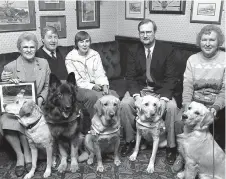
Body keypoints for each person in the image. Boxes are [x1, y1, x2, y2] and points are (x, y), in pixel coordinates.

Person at [120, 19, 180, 165]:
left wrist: (165, 99)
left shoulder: (167, 50)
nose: (145, 35)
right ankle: (130, 140)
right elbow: (130, 77)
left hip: (160, 91)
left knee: (172, 107)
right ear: (139, 34)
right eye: (142, 32)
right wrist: (136, 96)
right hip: (140, 89)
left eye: (148, 32)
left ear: (154, 32)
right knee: (125, 104)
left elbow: (171, 78)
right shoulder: (133, 50)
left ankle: (171, 146)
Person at [172, 24, 225, 172]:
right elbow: (187, 86)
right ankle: (182, 155)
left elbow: (225, 90)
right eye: (204, 39)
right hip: (195, 103)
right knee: (178, 121)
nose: (207, 43)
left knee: (211, 128)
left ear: (219, 41)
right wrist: (187, 107)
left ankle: (211, 162)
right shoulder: (192, 60)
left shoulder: (224, 59)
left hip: (217, 105)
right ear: (199, 41)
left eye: (212, 40)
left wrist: (215, 107)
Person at [0, 32, 50, 177]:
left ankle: (29, 155)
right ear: (19, 49)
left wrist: (41, 98)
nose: (29, 50)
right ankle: (21, 156)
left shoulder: (44, 63)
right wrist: (6, 82)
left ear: (36, 48)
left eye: (32, 47)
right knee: (6, 121)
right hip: (17, 108)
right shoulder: (10, 67)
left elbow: (47, 86)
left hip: (38, 106)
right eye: (25, 47)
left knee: (31, 118)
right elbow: (5, 92)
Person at [65, 31, 119, 99]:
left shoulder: (95, 54)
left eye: (87, 41)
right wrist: (92, 86)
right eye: (81, 42)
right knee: (96, 98)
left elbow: (100, 73)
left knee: (114, 95)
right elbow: (77, 81)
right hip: (80, 88)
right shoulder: (70, 58)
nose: (84, 44)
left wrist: (104, 85)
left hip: (97, 85)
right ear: (76, 43)